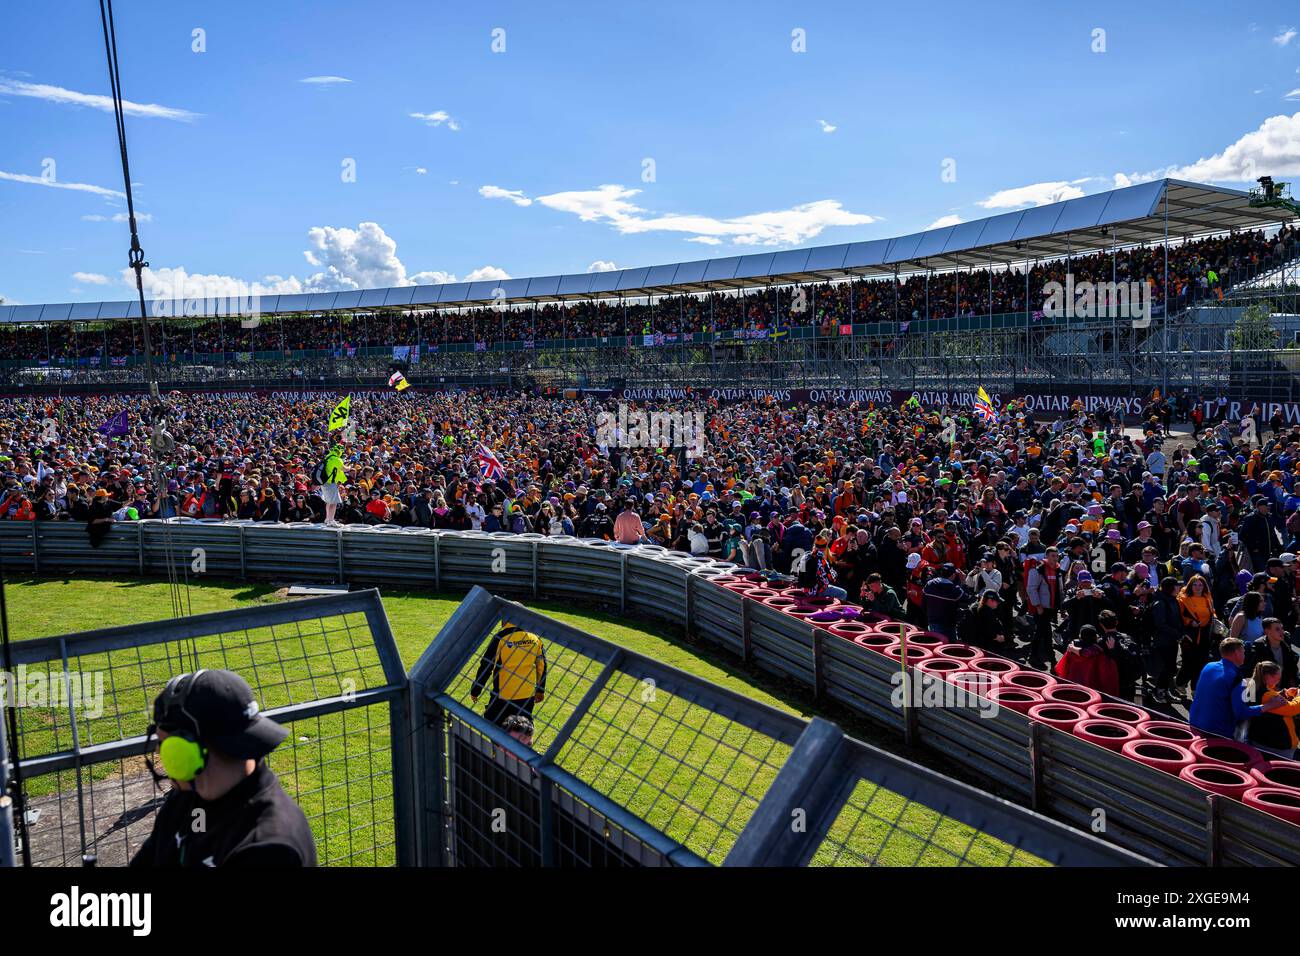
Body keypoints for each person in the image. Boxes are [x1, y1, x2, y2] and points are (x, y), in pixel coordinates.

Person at [132, 669, 317, 866]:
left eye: (163, 742)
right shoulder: (189, 799)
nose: (159, 750)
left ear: (187, 750)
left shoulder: (269, 848)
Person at [1187, 637, 1286, 738]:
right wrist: (1269, 705)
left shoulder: (1209, 666)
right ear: (1236, 652)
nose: (1244, 655)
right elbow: (1241, 713)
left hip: (1193, 723)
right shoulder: (1235, 677)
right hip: (1215, 732)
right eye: (1243, 652)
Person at [470, 622, 547, 727]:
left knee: (493, 726)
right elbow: (542, 666)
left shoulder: (501, 638)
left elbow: (486, 666)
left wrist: (476, 690)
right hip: (527, 696)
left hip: (503, 695)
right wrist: (540, 690)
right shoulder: (535, 638)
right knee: (524, 729)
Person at [1244, 662, 1300, 758]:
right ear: (1268, 676)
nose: (1278, 681)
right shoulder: (1267, 695)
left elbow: (1265, 699)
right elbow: (1292, 709)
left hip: (1259, 739)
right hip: (1274, 744)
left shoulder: (1253, 686)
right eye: (1277, 679)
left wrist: (1281, 694)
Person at [321, 443, 346, 526]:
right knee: (334, 502)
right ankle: (331, 521)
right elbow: (344, 469)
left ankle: (327, 519)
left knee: (329, 502)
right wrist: (350, 467)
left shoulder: (328, 457)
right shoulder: (336, 459)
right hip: (330, 483)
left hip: (324, 482)